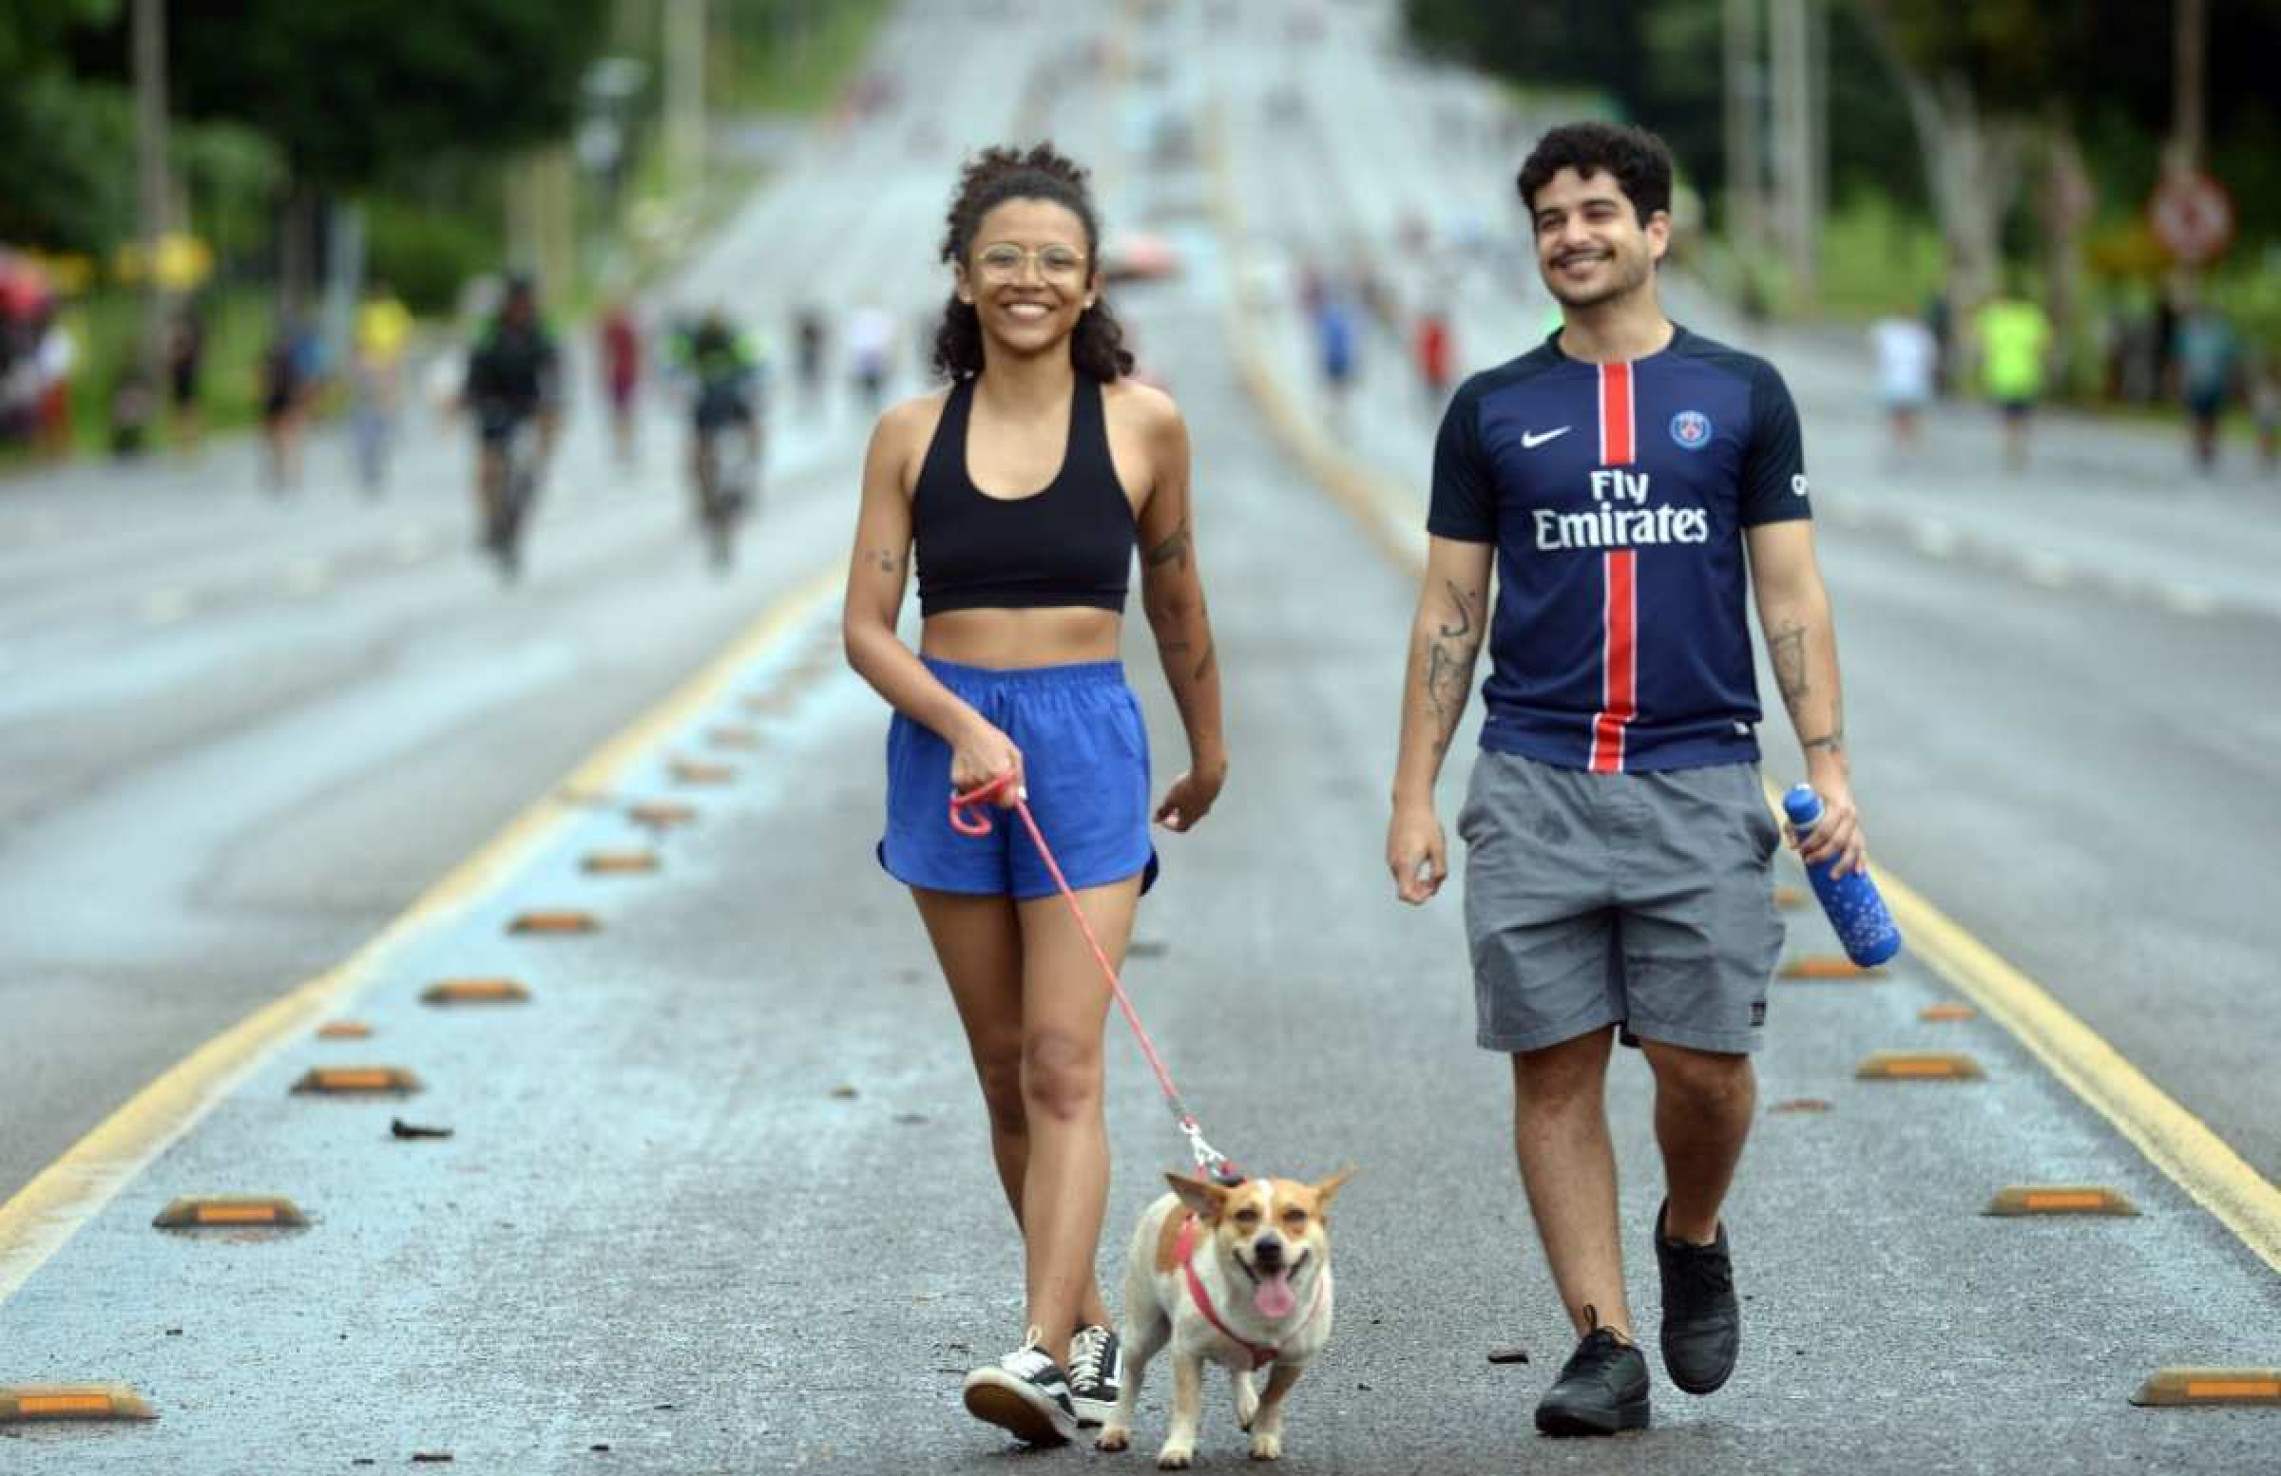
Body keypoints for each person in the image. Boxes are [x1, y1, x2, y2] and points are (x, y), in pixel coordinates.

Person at [1385, 121, 1867, 1439]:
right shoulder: (1491, 408)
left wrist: (1823, 763)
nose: (1572, 236)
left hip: (1699, 779)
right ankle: (1602, 1341)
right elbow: (1448, 606)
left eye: (1597, 212)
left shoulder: (1745, 393)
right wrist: (1415, 790)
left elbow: (1791, 590)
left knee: (1708, 1071)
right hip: (1532, 779)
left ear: (1655, 231)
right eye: (1549, 218)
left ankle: (1690, 1229)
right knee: (1553, 1072)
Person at [841, 143, 1227, 1448]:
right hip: (942, 751)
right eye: (1002, 256)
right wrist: (954, 723)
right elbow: (865, 629)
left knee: (1068, 1061)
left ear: (1089, 279)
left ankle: (1046, 1346)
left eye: (1053, 260)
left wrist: (1208, 747)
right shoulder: (908, 435)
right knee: (1006, 1074)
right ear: (963, 274)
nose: (1027, 279)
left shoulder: (1142, 423)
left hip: (1084, 747)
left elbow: (1175, 597)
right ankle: (1077, 1330)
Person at [461, 274, 562, 576]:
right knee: (489, 468)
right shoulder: (491, 333)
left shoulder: (540, 333)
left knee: (529, 473)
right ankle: (491, 521)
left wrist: (551, 413)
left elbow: (553, 374)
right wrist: (471, 399)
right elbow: (474, 369)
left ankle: (513, 529)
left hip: (527, 410)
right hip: (493, 406)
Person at [675, 308, 765, 532]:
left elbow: (753, 363)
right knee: (699, 447)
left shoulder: (730, 339)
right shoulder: (698, 342)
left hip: (729, 398)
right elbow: (678, 367)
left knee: (751, 430)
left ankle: (750, 466)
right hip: (711, 401)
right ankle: (704, 492)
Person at [1973, 284, 2051, 472]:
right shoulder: (2033, 316)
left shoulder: (1994, 316)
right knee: (2024, 414)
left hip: (2001, 375)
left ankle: (2011, 445)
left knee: (2007, 415)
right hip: (2028, 374)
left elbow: (1980, 343)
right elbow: (2043, 346)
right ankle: (2020, 446)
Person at [351, 279, 414, 493]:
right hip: (371, 362)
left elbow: (403, 337)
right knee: (369, 408)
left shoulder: (394, 310)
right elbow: (360, 340)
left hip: (389, 362)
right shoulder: (367, 311)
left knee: (387, 405)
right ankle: (371, 444)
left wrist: (395, 362)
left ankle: (387, 430)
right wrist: (360, 362)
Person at [2172, 300, 2239, 474]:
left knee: (2212, 418)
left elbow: (2229, 360)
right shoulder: (2189, 333)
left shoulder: (2221, 333)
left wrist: (2230, 382)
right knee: (2198, 416)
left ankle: (2208, 448)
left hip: (2215, 383)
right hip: (2196, 383)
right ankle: (2200, 447)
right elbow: (2181, 359)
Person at [1869, 311, 1937, 455]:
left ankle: (1901, 444)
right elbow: (1930, 360)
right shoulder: (1920, 335)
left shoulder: (1889, 331)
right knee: (1909, 416)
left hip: (1896, 383)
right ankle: (1909, 445)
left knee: (1899, 416)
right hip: (1913, 383)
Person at [259, 312, 314, 492]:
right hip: (283, 400)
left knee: (283, 440)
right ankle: (289, 475)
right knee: (284, 441)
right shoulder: (291, 356)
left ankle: (287, 475)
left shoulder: (277, 355)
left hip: (283, 400)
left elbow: (264, 379)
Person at [599, 299, 642, 465]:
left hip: (625, 375)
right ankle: (622, 447)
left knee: (624, 413)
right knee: (621, 413)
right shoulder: (612, 329)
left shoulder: (624, 329)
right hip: (618, 376)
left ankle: (624, 447)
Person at [166, 303, 206, 451]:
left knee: (187, 408)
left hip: (185, 374)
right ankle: (185, 441)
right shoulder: (186, 337)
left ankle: (190, 441)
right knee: (183, 408)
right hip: (180, 374)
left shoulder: (186, 337)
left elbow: (182, 354)